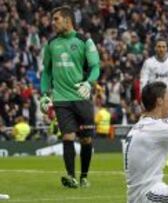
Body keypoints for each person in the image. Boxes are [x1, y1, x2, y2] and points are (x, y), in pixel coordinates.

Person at [40, 6, 100, 188]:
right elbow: (46, 72)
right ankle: (71, 177)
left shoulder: (85, 41)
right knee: (67, 136)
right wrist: (44, 94)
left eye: (56, 19)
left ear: (68, 20)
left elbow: (95, 67)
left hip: (81, 97)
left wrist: (89, 83)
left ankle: (84, 177)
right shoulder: (51, 44)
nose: (53, 23)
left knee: (86, 140)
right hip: (61, 99)